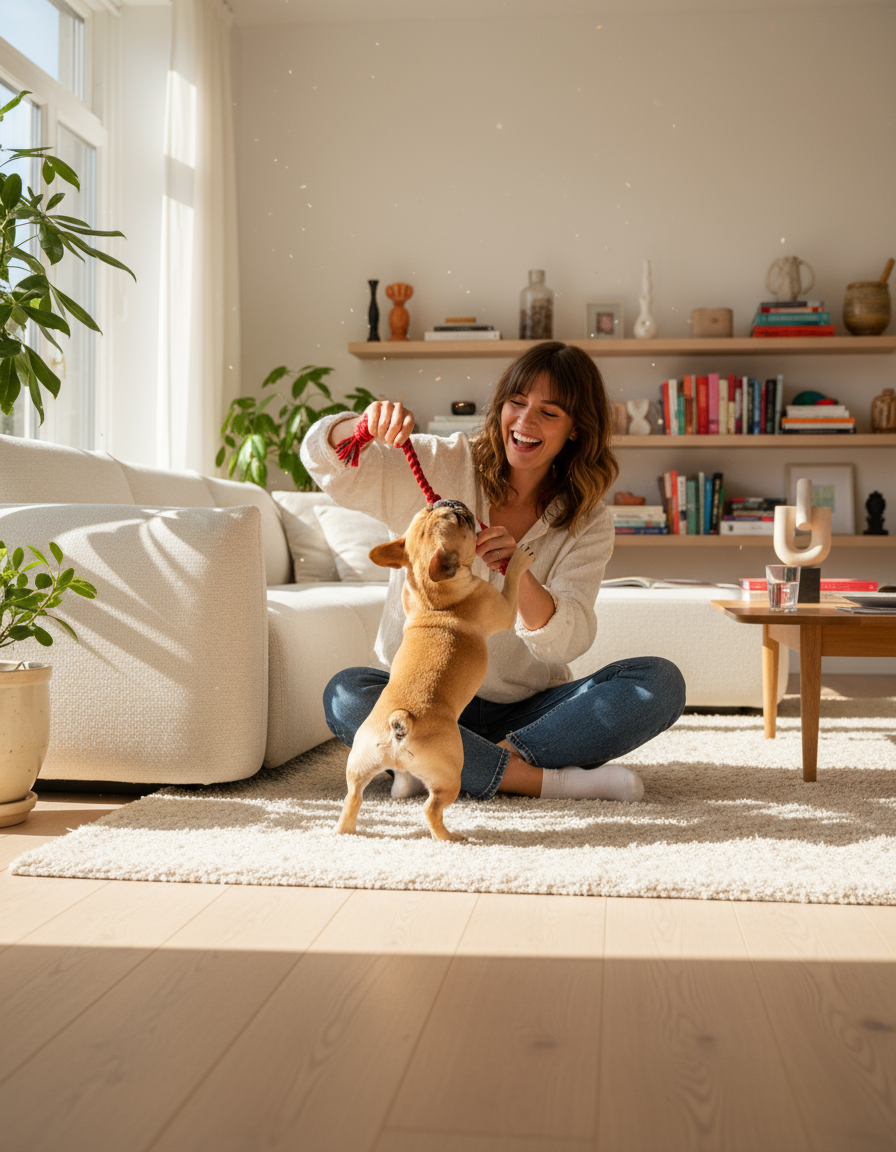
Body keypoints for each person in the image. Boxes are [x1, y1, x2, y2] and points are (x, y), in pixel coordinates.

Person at [300, 341, 686, 803]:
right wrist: (360, 424)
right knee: (346, 693)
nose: (524, 423)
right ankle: (541, 781)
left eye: (549, 412)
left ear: (577, 430)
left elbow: (569, 639)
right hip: (421, 698)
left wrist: (517, 573)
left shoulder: (589, 520)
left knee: (658, 683)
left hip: (527, 714)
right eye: (516, 403)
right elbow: (323, 461)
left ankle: (438, 764)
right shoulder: (441, 460)